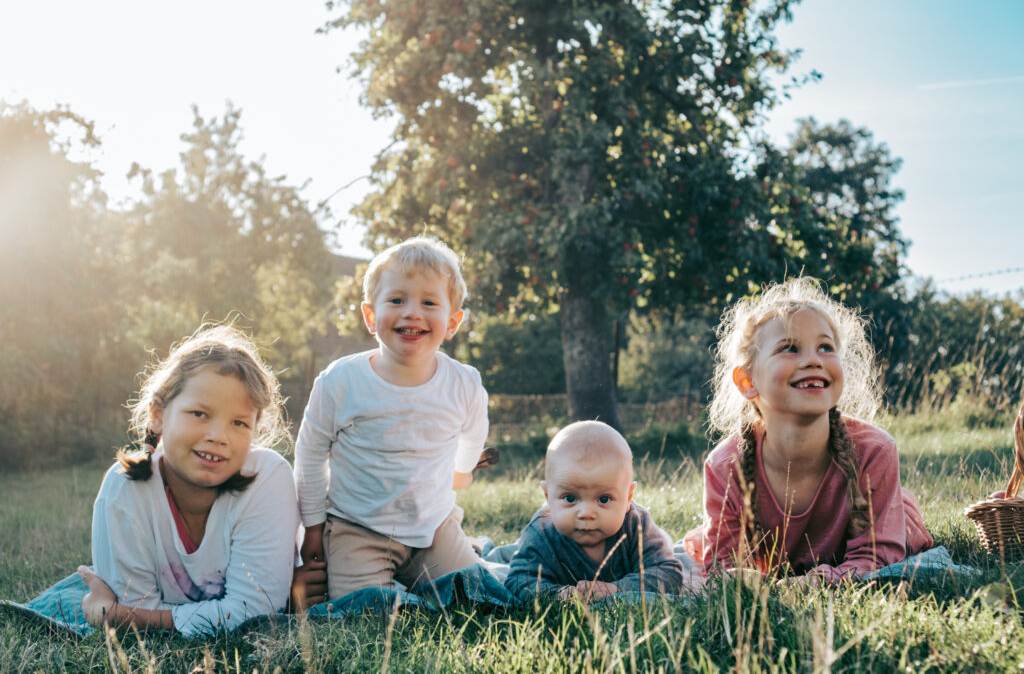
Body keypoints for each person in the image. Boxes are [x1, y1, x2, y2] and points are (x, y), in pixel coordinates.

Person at [684, 277, 933, 584]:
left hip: (847, 555)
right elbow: (723, 568)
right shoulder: (724, 466)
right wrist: (753, 585)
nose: (813, 359)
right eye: (789, 348)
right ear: (747, 382)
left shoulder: (873, 450)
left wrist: (817, 581)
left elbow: (878, 557)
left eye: (825, 347)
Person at [294, 236, 489, 599]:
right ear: (370, 316)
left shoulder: (463, 384)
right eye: (397, 300)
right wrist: (314, 529)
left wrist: (460, 473)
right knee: (366, 613)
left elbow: (474, 435)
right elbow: (309, 455)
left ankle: (466, 560)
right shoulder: (341, 382)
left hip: (434, 529)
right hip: (357, 530)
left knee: (477, 598)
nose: (412, 312)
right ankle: (400, 593)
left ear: (452, 322)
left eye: (429, 302)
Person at [76, 325, 300, 636]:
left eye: (239, 422)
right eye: (199, 413)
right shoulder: (124, 492)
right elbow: (142, 626)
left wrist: (115, 615)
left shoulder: (268, 477)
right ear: (158, 415)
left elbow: (255, 613)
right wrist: (132, 616)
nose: (218, 437)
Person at [504, 421, 685, 601]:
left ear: (628, 497)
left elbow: (668, 573)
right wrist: (557, 595)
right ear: (547, 496)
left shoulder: (636, 524)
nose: (586, 513)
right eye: (570, 498)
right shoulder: (541, 532)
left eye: (604, 499)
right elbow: (518, 580)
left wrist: (618, 589)